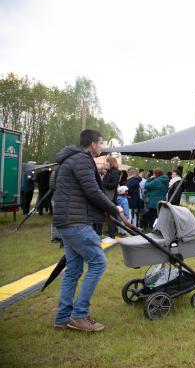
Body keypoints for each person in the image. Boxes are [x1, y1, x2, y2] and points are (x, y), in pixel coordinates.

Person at [53, 129, 123, 332]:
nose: (101, 147)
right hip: (76, 222)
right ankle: (79, 315)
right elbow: (92, 191)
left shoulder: (70, 159)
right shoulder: (82, 160)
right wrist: (113, 208)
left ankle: (63, 317)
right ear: (93, 144)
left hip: (67, 221)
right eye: (100, 143)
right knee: (98, 262)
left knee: (73, 270)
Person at [102, 157, 120, 241]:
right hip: (107, 196)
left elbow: (114, 185)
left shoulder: (114, 172)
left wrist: (103, 184)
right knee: (108, 216)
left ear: (110, 163)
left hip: (111, 197)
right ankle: (111, 233)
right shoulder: (109, 172)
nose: (105, 164)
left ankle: (112, 235)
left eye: (106, 162)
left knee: (111, 216)